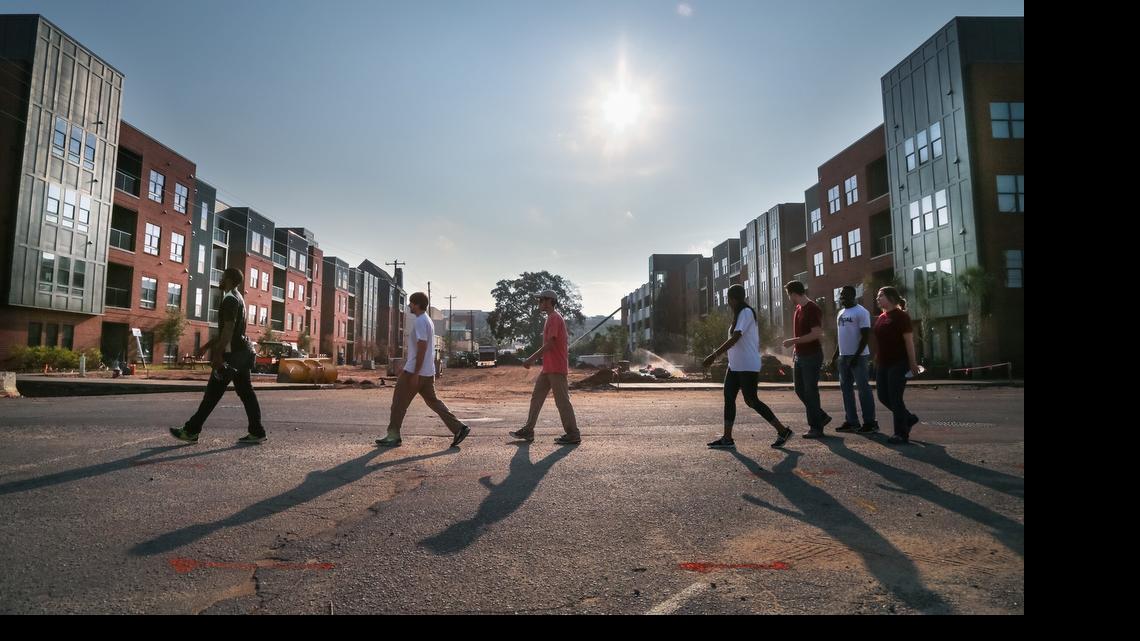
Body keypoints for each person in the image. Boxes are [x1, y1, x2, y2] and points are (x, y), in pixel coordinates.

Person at [170, 267, 265, 444]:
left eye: (222, 277)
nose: (220, 280)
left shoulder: (230, 299)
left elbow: (228, 330)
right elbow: (227, 331)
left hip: (231, 356)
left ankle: (191, 430)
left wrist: (218, 355)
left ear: (228, 279)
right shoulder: (239, 298)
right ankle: (257, 431)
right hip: (242, 354)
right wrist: (206, 346)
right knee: (246, 394)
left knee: (212, 395)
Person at [703, 284, 794, 449]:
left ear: (733, 299)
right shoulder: (739, 315)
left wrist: (714, 355)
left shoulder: (745, 312)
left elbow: (736, 337)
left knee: (751, 400)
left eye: (728, 299)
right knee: (729, 398)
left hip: (747, 365)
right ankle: (727, 438)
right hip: (735, 366)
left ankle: (782, 430)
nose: (728, 303)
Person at [376, 292, 471, 448]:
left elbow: (422, 346)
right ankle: (459, 428)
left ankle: (393, 436)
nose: (409, 306)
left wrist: (415, 373)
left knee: (398, 403)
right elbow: (423, 349)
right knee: (434, 402)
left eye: (411, 303)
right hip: (427, 371)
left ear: (417, 304)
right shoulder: (428, 321)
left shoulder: (420, 321)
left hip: (416, 372)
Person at [509, 289, 581, 445]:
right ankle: (529, 430)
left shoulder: (555, 318)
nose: (539, 303)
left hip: (556, 368)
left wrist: (531, 359)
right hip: (548, 368)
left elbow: (551, 344)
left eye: (541, 300)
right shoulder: (550, 319)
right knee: (536, 399)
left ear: (549, 301)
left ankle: (573, 434)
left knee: (562, 402)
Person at [782, 281, 832, 437]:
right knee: (800, 389)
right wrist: (795, 351)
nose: (788, 298)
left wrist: (793, 341)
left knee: (810, 391)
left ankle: (816, 427)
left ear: (793, 293)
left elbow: (816, 333)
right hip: (800, 355)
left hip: (812, 355)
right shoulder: (798, 309)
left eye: (788, 294)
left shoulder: (812, 308)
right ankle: (821, 416)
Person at [872, 287, 921, 444]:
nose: (878, 298)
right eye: (877, 296)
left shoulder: (902, 316)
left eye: (881, 296)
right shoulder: (881, 317)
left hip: (899, 363)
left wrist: (913, 363)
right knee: (883, 396)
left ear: (891, 297)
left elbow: (908, 341)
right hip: (882, 363)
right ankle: (908, 418)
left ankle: (901, 433)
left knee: (895, 397)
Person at [830, 285, 879, 434]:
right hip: (843, 357)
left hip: (859, 357)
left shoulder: (861, 312)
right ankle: (852, 422)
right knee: (846, 390)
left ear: (853, 296)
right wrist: (835, 357)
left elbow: (865, 337)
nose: (841, 297)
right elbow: (841, 338)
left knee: (863, 389)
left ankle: (870, 423)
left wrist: (856, 357)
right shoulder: (840, 313)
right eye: (840, 295)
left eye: (844, 295)